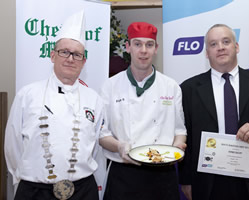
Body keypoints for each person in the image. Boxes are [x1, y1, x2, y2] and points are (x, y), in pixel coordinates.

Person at [179, 24, 249, 200]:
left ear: (236, 47)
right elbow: (185, 136)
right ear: (206, 52)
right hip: (208, 182)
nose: (221, 47)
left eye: (226, 41)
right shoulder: (189, 89)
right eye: (213, 44)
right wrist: (186, 180)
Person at [5, 10, 104, 200]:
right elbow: (13, 145)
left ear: (83, 62)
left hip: (83, 191)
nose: (70, 58)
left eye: (77, 55)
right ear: (52, 55)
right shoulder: (28, 94)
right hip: (35, 191)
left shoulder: (94, 99)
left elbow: (95, 149)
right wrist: (24, 178)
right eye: (64, 52)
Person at [99, 22, 187, 200]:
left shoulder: (171, 86)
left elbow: (179, 130)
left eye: (149, 44)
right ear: (128, 47)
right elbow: (101, 133)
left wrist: (178, 146)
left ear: (156, 49)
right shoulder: (110, 85)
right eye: (137, 44)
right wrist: (119, 146)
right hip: (123, 174)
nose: (143, 50)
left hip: (162, 174)